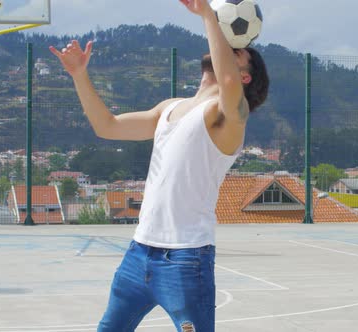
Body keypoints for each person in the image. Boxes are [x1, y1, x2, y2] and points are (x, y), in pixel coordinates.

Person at [50, 0, 269, 330]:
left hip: (185, 258)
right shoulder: (170, 107)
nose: (225, 45)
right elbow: (107, 126)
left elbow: (226, 81)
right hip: (138, 253)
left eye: (235, 49)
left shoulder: (229, 120)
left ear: (244, 77)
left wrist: (208, 14)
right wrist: (79, 75)